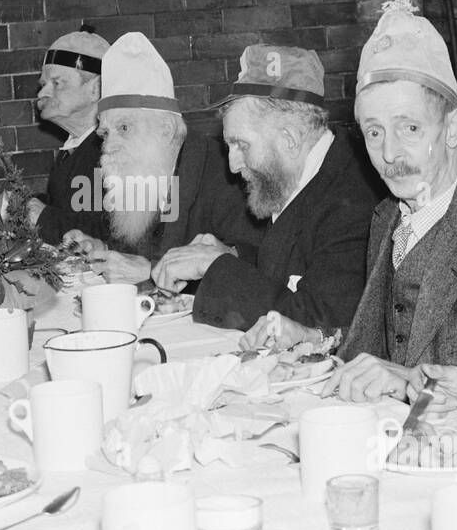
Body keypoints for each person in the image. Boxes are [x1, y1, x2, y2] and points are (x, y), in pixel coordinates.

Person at [247, 1, 457, 420]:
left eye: (409, 128)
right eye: (374, 132)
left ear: (454, 128)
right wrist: (316, 338)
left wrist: (412, 381)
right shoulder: (387, 217)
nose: (389, 153)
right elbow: (388, 339)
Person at [153, 44, 381, 331]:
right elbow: (294, 263)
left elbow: (320, 323)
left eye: (241, 145)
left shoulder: (355, 201)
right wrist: (234, 256)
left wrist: (217, 266)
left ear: (289, 139)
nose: (233, 165)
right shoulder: (306, 173)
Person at [62, 32, 262, 285]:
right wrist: (100, 249)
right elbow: (135, 252)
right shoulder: (137, 174)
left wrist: (151, 271)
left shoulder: (225, 175)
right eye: (105, 133)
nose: (109, 146)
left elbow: (256, 267)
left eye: (124, 128)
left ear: (166, 129)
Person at [25, 26, 112, 245]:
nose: (42, 93)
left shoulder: (112, 151)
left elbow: (110, 234)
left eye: (57, 83)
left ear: (96, 89)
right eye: (44, 84)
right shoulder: (75, 148)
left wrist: (44, 217)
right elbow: (73, 207)